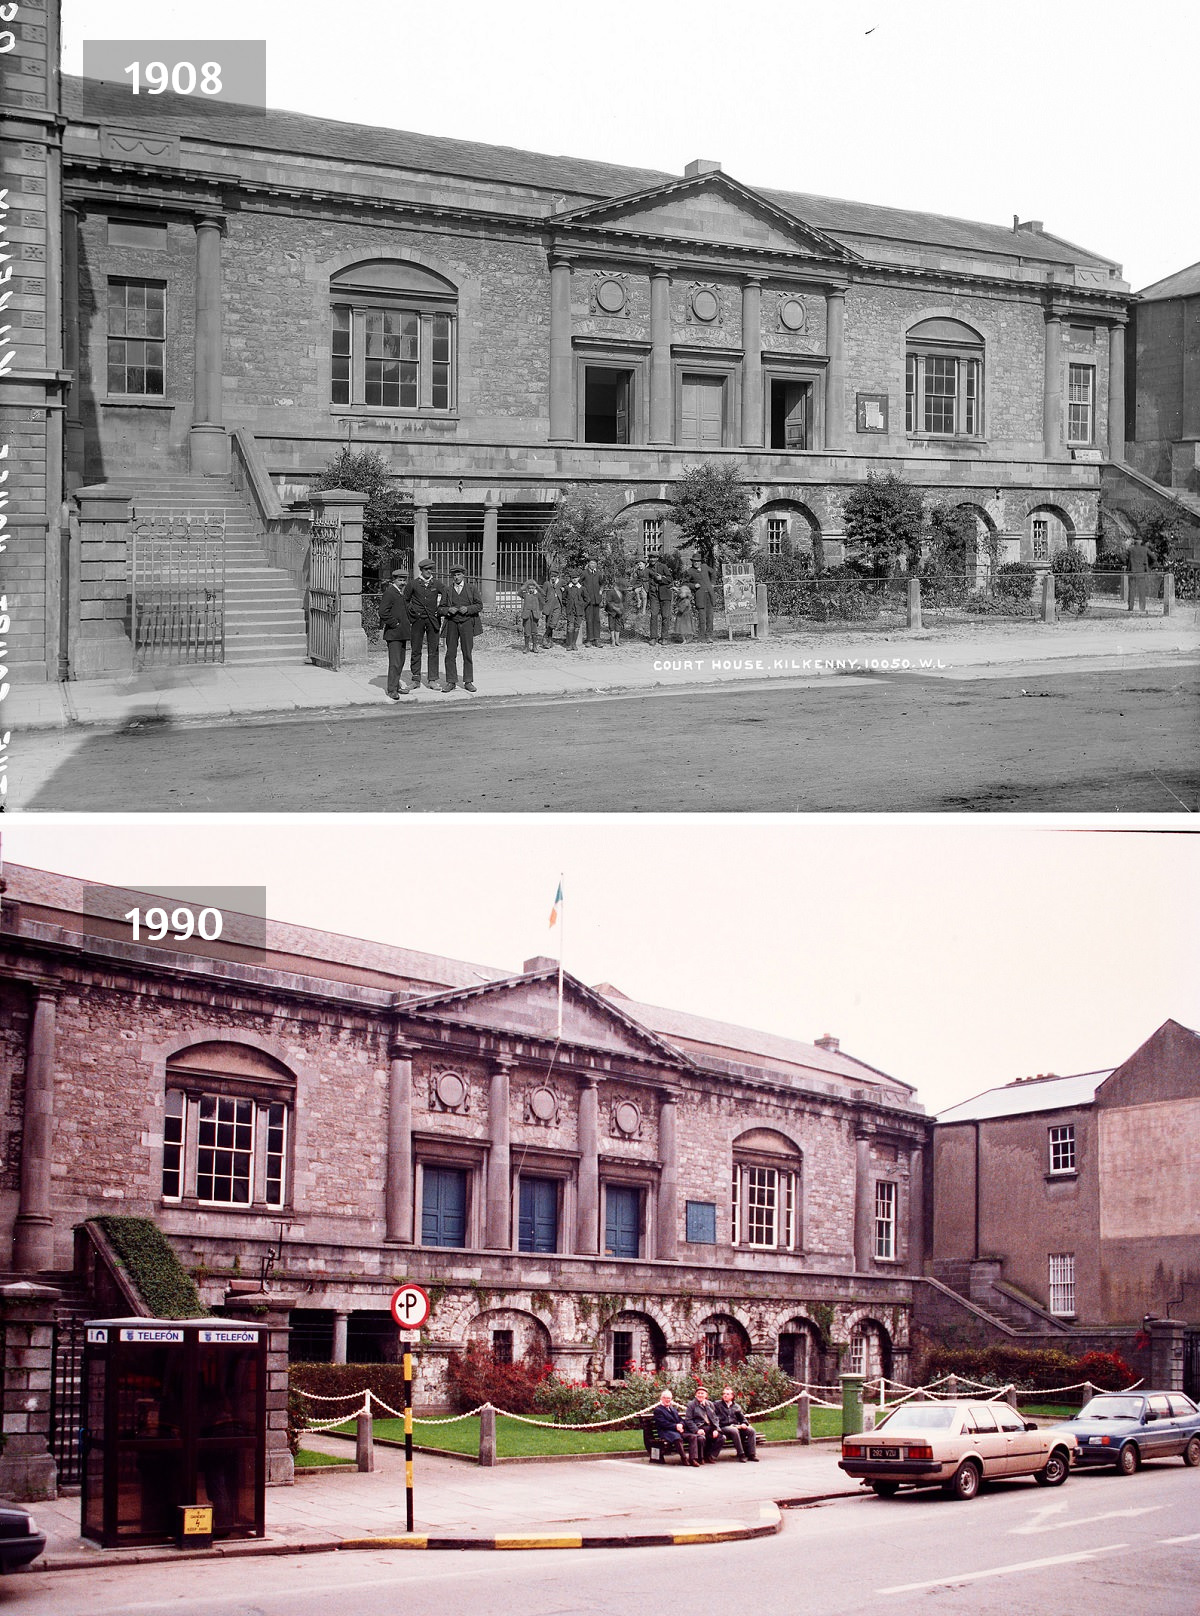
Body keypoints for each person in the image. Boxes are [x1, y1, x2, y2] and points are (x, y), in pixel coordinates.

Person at [404, 558, 443, 690]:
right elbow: (406, 600)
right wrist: (412, 612)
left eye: (431, 569)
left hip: (433, 620)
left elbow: (447, 596)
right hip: (417, 620)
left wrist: (440, 609)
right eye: (426, 569)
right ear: (421, 570)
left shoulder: (436, 584)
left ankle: (432, 679)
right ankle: (415, 679)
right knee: (416, 649)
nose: (429, 571)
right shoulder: (413, 584)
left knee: (434, 650)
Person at [441, 563, 481, 691]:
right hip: (452, 623)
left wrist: (468, 609)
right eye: (454, 575)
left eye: (458, 574)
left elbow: (479, 605)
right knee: (450, 653)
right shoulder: (447, 590)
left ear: (463, 575)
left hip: (467, 623)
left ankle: (468, 681)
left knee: (467, 653)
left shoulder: (471, 589)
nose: (456, 577)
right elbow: (440, 608)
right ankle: (451, 681)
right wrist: (448, 609)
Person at [378, 564, 412, 699]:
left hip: (402, 633)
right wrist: (394, 623)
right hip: (393, 633)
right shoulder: (390, 593)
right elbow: (382, 612)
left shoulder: (400, 593)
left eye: (404, 580)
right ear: (394, 580)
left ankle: (396, 686)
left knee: (401, 661)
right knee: (395, 662)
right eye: (400, 580)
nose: (403, 582)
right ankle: (392, 689)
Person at [652, 1390, 700, 1467]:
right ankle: (684, 1458)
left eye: (669, 1398)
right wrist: (676, 1426)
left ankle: (693, 1459)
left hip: (677, 1430)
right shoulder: (658, 1410)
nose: (668, 1400)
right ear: (661, 1399)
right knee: (677, 1438)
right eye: (666, 1398)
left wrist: (680, 1425)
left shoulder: (673, 1409)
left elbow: (681, 1420)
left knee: (693, 1437)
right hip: (666, 1432)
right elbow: (663, 1423)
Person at [716, 1385, 758, 1461]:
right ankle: (741, 1454)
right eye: (724, 1394)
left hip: (735, 1426)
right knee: (733, 1430)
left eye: (727, 1394)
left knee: (751, 1430)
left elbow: (742, 1418)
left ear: (732, 1396)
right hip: (723, 1426)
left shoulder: (736, 1406)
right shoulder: (717, 1405)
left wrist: (744, 1423)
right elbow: (714, 1418)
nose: (725, 1395)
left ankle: (752, 1454)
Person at [684, 1386, 725, 1463]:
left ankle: (710, 1455)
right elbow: (688, 1420)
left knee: (721, 1437)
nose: (700, 1395)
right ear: (696, 1395)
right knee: (701, 1438)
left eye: (702, 1393)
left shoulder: (710, 1404)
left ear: (706, 1395)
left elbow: (715, 1418)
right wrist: (697, 1430)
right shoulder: (691, 1404)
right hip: (700, 1427)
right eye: (698, 1393)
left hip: (710, 1427)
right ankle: (701, 1457)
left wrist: (716, 1429)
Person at [687, 555, 716, 642]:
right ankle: (701, 636)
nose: (696, 563)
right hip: (700, 596)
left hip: (709, 595)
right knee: (702, 617)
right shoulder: (690, 571)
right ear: (692, 562)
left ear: (700, 562)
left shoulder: (705, 567)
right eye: (694, 561)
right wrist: (693, 585)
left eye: (698, 561)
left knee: (710, 617)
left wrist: (712, 583)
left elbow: (713, 572)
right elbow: (685, 583)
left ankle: (708, 636)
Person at [647, 558, 674, 645]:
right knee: (653, 615)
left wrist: (661, 579)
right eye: (651, 557)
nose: (652, 559)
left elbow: (670, 578)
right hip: (654, 595)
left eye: (654, 557)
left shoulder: (663, 566)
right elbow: (641, 579)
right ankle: (653, 638)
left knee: (665, 616)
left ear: (657, 558)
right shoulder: (647, 569)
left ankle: (664, 637)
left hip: (665, 595)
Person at [518, 577, 546, 653]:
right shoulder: (525, 595)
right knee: (527, 632)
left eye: (532, 588)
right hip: (527, 615)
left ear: (534, 588)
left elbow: (544, 594)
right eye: (529, 588)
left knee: (534, 632)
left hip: (535, 615)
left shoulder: (537, 595)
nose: (531, 590)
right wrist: (526, 584)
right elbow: (519, 593)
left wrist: (537, 585)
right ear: (527, 588)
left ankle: (534, 647)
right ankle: (526, 647)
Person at [581, 559, 603, 647]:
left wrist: (601, 591)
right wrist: (584, 594)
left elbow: (602, 584)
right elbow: (579, 583)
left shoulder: (598, 573)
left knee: (596, 620)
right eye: (591, 563)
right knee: (589, 619)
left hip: (596, 600)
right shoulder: (584, 573)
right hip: (588, 601)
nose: (593, 565)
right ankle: (589, 639)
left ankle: (597, 639)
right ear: (588, 564)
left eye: (594, 563)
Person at [1127, 536, 1151, 613]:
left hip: (1132, 572)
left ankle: (1131, 607)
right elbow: (1154, 558)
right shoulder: (1145, 549)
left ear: (1134, 541)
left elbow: (1122, 556)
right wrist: (1147, 566)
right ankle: (1142, 607)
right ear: (1141, 541)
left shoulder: (1130, 549)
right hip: (1142, 573)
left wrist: (1128, 564)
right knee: (1142, 591)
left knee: (1131, 590)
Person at [542, 571, 565, 647]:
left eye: (554, 577)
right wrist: (544, 605)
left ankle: (545, 636)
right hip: (549, 605)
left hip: (558, 605)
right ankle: (549, 641)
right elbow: (543, 595)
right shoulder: (547, 584)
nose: (552, 578)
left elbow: (567, 589)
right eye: (551, 576)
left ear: (557, 576)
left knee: (553, 623)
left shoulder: (561, 582)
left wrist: (563, 590)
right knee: (548, 623)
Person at [564, 572, 584, 650]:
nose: (574, 579)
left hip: (578, 611)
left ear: (578, 578)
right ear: (571, 579)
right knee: (570, 627)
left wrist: (581, 605)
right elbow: (564, 598)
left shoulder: (582, 588)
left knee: (576, 627)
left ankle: (574, 644)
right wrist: (568, 604)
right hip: (570, 611)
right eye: (573, 578)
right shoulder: (567, 588)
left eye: (576, 577)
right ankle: (569, 644)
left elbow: (587, 599)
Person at [603, 577, 625, 646]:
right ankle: (613, 640)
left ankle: (617, 640)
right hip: (611, 611)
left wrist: (621, 609)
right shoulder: (610, 592)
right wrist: (615, 608)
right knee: (611, 626)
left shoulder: (622, 593)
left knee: (618, 625)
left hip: (619, 612)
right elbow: (609, 602)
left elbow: (623, 602)